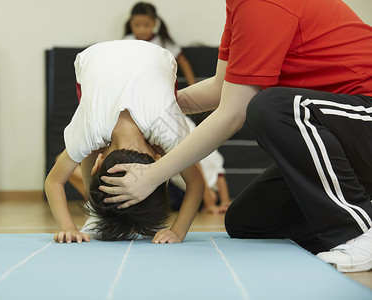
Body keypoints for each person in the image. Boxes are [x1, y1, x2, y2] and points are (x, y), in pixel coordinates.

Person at [99, 0, 372, 273]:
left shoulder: (260, 3)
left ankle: (357, 232)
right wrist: (151, 106)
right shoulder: (239, 7)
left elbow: (232, 113)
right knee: (248, 221)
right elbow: (222, 88)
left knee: (272, 107)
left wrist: (153, 174)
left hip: (363, 114)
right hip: (342, 130)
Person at [44, 40, 204, 244]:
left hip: (142, 57)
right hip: (112, 57)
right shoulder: (91, 130)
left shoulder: (168, 131)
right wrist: (177, 232)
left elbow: (53, 181)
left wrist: (68, 228)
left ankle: (96, 211)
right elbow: (53, 182)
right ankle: (96, 212)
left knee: (87, 144)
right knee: (87, 144)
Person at [124, 2, 196, 86]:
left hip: (160, 85)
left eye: (146, 25)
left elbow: (184, 64)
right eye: (137, 25)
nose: (141, 30)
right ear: (130, 23)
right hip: (133, 86)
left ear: (154, 23)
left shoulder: (164, 43)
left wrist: (192, 86)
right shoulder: (126, 42)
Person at [169, 115, 231, 214]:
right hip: (188, 182)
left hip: (197, 183)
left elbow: (213, 165)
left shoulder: (182, 123)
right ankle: (209, 198)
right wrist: (214, 203)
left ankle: (210, 198)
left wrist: (222, 201)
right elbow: (195, 163)